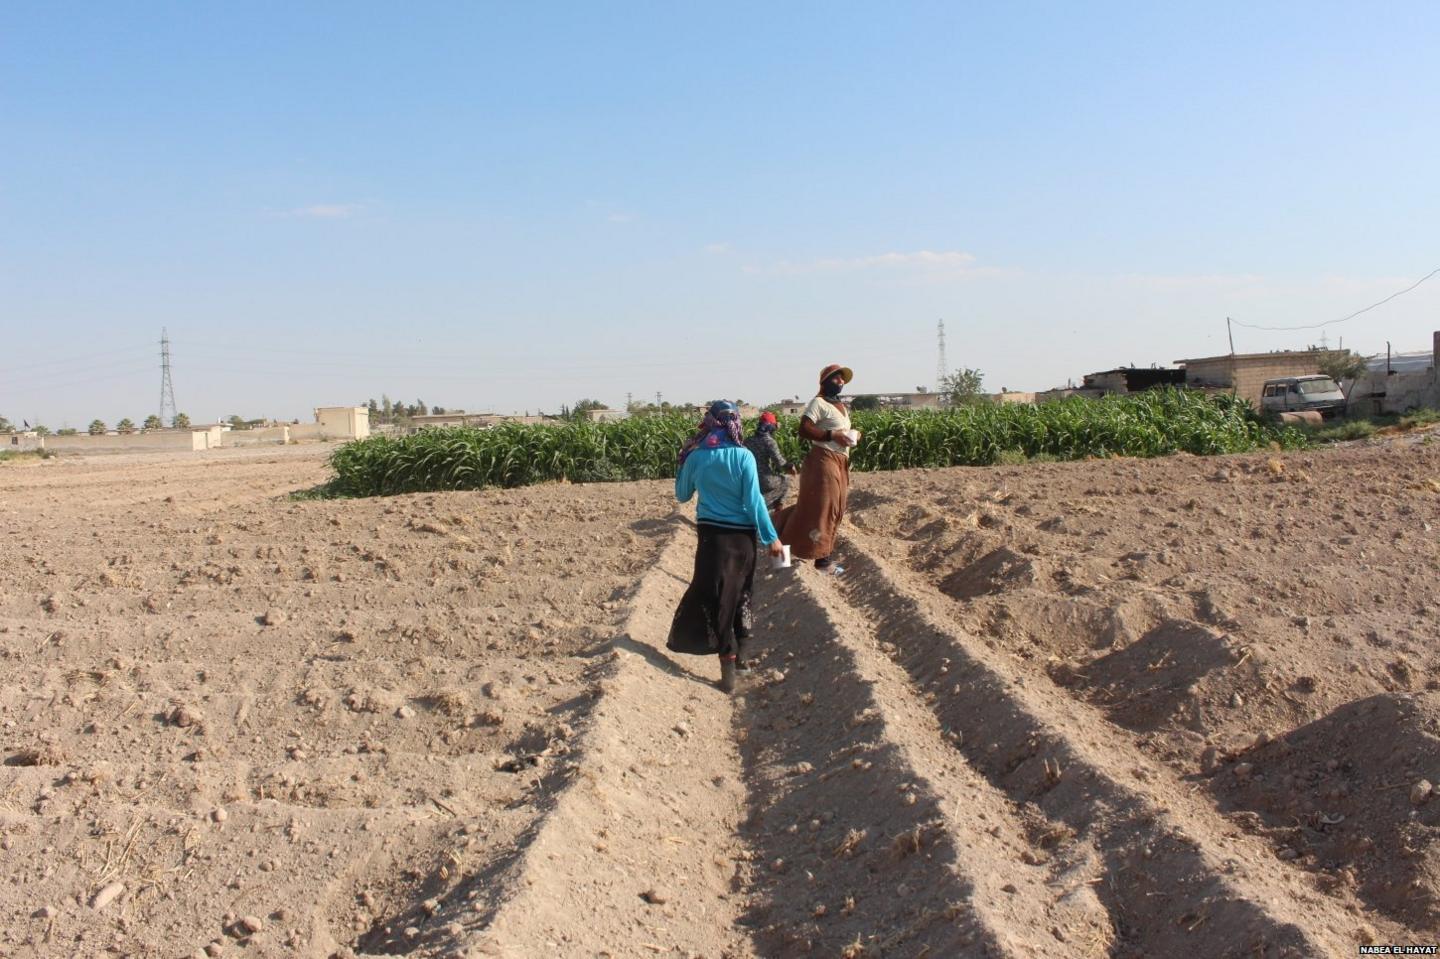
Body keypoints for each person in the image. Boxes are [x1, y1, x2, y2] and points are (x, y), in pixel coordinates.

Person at [667, 400, 785, 693]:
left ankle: (728, 663)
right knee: (742, 593)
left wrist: (683, 464)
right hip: (743, 539)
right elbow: (754, 502)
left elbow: (682, 496)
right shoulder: (743, 456)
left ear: (710, 423)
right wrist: (771, 537)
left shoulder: (697, 457)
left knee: (717, 596)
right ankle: (743, 657)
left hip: (711, 538)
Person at [773, 364, 860, 572]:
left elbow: (841, 431)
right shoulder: (818, 403)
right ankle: (823, 561)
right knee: (825, 508)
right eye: (836, 378)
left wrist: (855, 435)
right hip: (823, 460)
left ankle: (777, 537)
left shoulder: (840, 406)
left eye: (842, 380)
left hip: (840, 460)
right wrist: (832, 436)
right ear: (825, 381)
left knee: (823, 508)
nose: (840, 382)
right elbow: (804, 429)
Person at [743, 411, 796, 510]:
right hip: (764, 479)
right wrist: (790, 466)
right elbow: (780, 463)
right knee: (786, 481)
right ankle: (775, 510)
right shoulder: (769, 442)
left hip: (748, 479)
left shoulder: (748, 440)